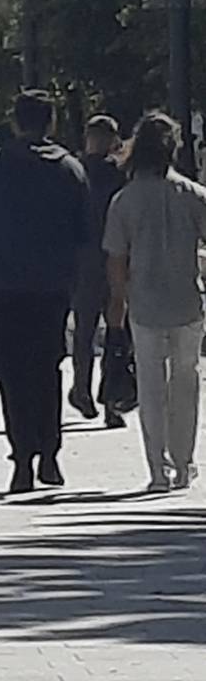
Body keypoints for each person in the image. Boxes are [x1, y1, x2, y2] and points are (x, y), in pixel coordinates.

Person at [0, 91, 89, 494]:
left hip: (3, 286)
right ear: (51, 123)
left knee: (11, 371)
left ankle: (23, 457)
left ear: (14, 122)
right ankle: (49, 453)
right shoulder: (70, 170)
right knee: (48, 367)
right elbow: (86, 236)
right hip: (53, 287)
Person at [104, 110, 206, 493]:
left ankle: (157, 469)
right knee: (186, 383)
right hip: (187, 303)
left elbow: (116, 260)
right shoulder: (194, 195)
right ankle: (184, 463)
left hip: (143, 305)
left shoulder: (124, 201)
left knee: (151, 386)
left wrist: (117, 304)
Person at [70, 114, 125, 426]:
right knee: (107, 332)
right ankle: (99, 397)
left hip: (91, 262)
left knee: (94, 332)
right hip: (103, 261)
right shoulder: (118, 174)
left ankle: (93, 394)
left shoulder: (73, 171)